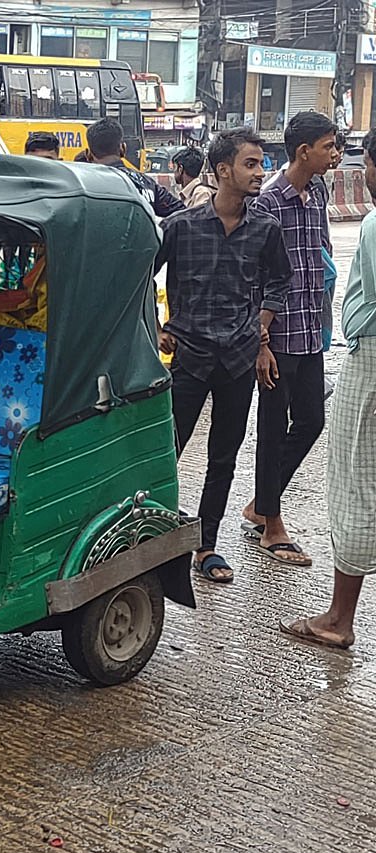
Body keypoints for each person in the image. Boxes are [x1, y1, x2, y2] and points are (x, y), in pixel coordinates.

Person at [155, 129, 291, 584]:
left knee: (224, 457)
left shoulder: (266, 230)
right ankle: (150, 542)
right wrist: (156, 326)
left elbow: (279, 281)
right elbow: (140, 277)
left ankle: (206, 545)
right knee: (165, 452)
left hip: (237, 362)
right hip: (189, 360)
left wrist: (263, 329)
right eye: (250, 164)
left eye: (261, 164)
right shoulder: (180, 228)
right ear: (222, 171)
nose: (260, 172)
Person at [280, 127, 376, 650]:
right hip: (305, 334)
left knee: (353, 479)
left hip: (360, 349)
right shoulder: (284, 196)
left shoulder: (373, 222)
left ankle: (339, 619)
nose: (347, 161)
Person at [242, 111, 337, 567]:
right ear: (304, 151)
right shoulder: (268, 201)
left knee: (312, 421)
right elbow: (255, 276)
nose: (336, 155)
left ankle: (262, 502)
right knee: (271, 427)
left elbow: (321, 258)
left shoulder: (318, 191)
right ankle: (271, 524)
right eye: (329, 146)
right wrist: (260, 341)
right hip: (276, 333)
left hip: (310, 331)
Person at [86, 117, 184, 217]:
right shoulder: (146, 183)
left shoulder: (85, 186)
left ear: (88, 155)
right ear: (123, 149)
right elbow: (182, 213)